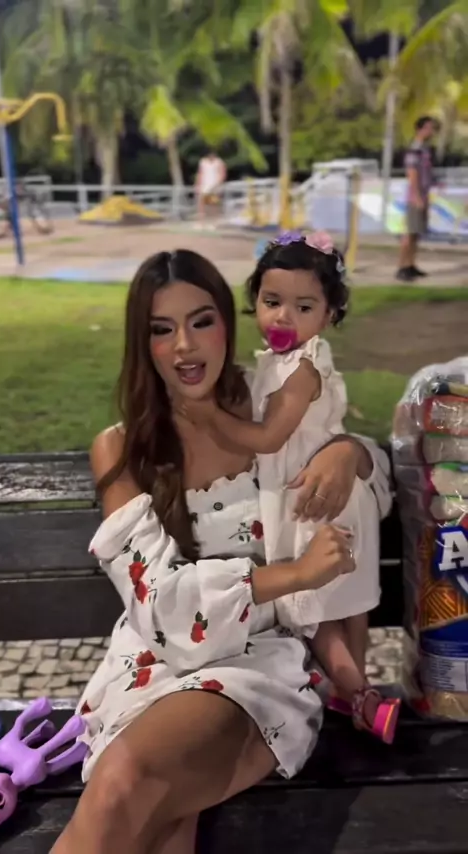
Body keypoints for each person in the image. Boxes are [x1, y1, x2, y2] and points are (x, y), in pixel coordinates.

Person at [50, 249, 392, 854]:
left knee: (126, 783)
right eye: (162, 329)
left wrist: (350, 454)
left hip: (255, 664)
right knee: (156, 823)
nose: (185, 346)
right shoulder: (123, 448)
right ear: (143, 344)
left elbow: (375, 478)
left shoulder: (266, 403)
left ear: (229, 323)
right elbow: (161, 608)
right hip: (154, 661)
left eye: (201, 321)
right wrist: (292, 575)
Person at [180, 230, 400, 742]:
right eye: (272, 301)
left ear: (328, 316)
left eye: (303, 307)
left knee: (313, 609)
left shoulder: (302, 368)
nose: (283, 317)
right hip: (327, 494)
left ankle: (359, 695)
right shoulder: (279, 363)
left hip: (314, 498)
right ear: (254, 300)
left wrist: (208, 416)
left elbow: (269, 437)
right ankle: (355, 694)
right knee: (346, 602)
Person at [396, 115, 439, 282]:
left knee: (416, 233)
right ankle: (401, 267)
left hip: (424, 193)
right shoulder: (415, 149)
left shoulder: (425, 149)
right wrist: (417, 196)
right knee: (409, 232)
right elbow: (412, 173)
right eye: (429, 127)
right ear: (420, 129)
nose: (431, 131)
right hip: (416, 196)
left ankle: (410, 265)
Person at [195, 151, 226, 220]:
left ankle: (214, 219)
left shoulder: (219, 162)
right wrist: (198, 184)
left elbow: (222, 174)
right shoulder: (203, 162)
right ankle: (201, 220)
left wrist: (218, 183)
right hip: (204, 184)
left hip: (215, 185)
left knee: (214, 203)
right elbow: (200, 173)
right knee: (201, 203)